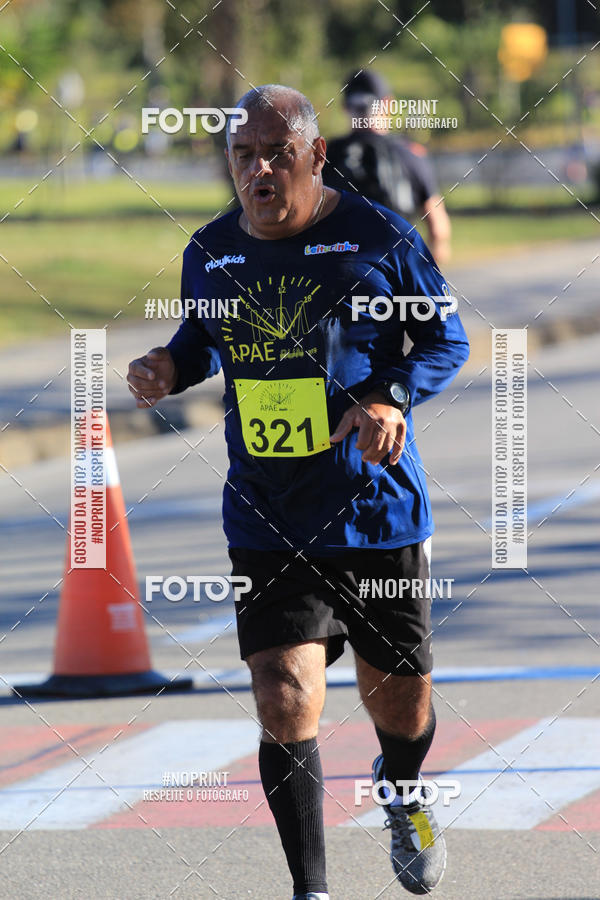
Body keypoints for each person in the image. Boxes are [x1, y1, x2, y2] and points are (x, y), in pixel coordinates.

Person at [127, 84, 469, 898]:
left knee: (401, 700)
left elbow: (445, 336)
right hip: (267, 511)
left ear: (316, 156)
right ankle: (310, 890)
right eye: (244, 156)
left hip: (373, 507)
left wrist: (389, 394)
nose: (261, 171)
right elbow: (200, 337)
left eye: (280, 153)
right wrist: (169, 366)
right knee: (283, 695)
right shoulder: (210, 250)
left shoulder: (377, 236)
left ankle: (404, 786)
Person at [324, 69, 452, 265]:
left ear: (345, 107)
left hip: (338, 278)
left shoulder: (324, 156)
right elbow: (438, 228)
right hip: (395, 276)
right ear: (388, 103)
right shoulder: (410, 155)